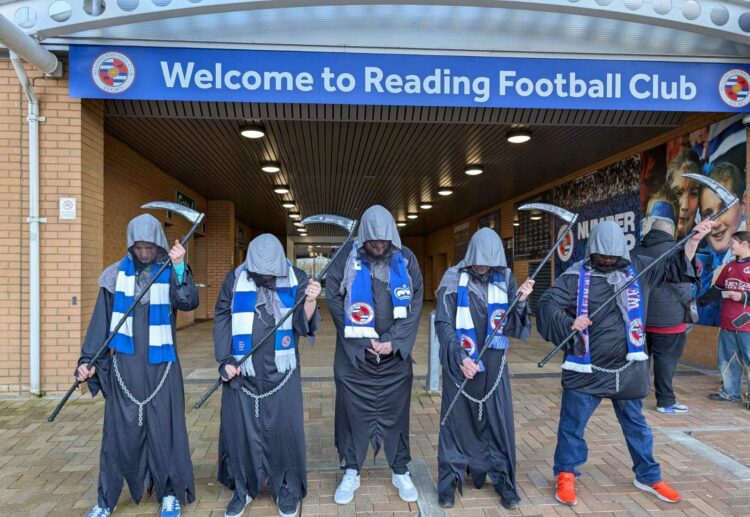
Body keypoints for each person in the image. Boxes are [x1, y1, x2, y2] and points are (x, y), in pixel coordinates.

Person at [536, 219, 714, 507]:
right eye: (601, 256)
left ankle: (648, 476)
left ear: (622, 251)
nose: (608, 260)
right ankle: (565, 473)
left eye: (613, 256)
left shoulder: (639, 268)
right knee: (572, 425)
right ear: (591, 251)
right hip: (586, 367)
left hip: (628, 368)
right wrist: (569, 322)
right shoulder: (575, 276)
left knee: (637, 425)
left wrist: (693, 240)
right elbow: (547, 304)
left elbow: (674, 267)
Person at [76, 214, 199, 517]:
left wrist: (180, 266)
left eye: (150, 247)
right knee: (118, 436)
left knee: (166, 433)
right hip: (125, 369)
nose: (144, 253)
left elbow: (187, 301)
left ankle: (169, 494)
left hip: (162, 367)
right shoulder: (114, 276)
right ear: (130, 246)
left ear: (159, 245)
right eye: (139, 247)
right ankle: (106, 500)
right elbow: (101, 323)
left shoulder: (170, 271)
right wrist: (88, 361)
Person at [213, 234, 321, 517]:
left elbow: (302, 324)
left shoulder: (297, 278)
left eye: (270, 275)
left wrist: (310, 301)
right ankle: (243, 488)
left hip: (281, 371)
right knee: (240, 432)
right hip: (242, 371)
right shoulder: (234, 279)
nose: (265, 279)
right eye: (259, 275)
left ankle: (286, 488)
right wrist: (225, 360)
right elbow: (222, 316)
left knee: (284, 430)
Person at [325, 205, 424, 505]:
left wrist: (394, 341)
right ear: (363, 238)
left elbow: (416, 299)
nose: (379, 246)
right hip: (355, 357)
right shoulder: (345, 256)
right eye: (373, 242)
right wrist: (361, 339)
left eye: (383, 241)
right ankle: (351, 469)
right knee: (350, 414)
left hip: (394, 357)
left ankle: (400, 469)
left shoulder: (406, 258)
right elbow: (333, 297)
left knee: (397, 412)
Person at [434, 228, 534, 509]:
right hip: (461, 363)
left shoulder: (505, 278)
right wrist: (459, 358)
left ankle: (503, 478)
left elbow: (513, 324)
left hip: (494, 365)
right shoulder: (452, 278)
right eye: (478, 263)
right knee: (455, 424)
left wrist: (521, 300)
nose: (482, 268)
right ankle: (449, 480)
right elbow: (443, 323)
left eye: (488, 265)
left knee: (497, 423)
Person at [632, 205, 695, 414]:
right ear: (671, 232)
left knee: (639, 360)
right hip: (670, 319)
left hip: (640, 319)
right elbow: (684, 286)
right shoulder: (677, 252)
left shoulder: (634, 252)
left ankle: (634, 397)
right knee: (665, 361)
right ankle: (665, 401)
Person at [699, 231, 750, 403]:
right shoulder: (729, 266)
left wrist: (743, 296)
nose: (730, 246)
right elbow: (717, 289)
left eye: (733, 242)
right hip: (728, 322)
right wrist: (698, 303)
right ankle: (730, 393)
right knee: (728, 359)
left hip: (747, 324)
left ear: (744, 244)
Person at [696, 162, 746, 325]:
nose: (716, 223)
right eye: (708, 213)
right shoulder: (698, 265)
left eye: (724, 208)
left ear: (743, 206)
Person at [666, 148, 702, 239]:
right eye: (678, 193)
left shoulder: (708, 245)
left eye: (693, 194)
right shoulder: (646, 236)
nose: (685, 206)